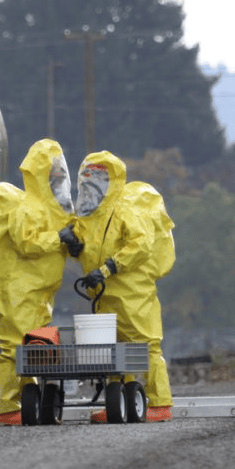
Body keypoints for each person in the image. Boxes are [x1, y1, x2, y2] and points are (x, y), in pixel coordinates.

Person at [0, 139, 75, 425]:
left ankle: (30, 399)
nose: (59, 177)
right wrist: (59, 238)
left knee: (34, 348)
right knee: (16, 349)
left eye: (60, 171)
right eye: (54, 172)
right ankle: (10, 407)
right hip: (16, 290)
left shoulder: (51, 211)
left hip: (38, 292)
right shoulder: (28, 208)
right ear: (41, 174)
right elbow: (26, 243)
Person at [72, 151, 174, 423]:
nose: (93, 183)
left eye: (99, 177)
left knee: (145, 345)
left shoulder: (125, 209)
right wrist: (74, 245)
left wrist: (107, 269)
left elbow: (141, 245)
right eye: (89, 176)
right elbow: (88, 248)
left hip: (132, 292)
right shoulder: (90, 215)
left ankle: (160, 404)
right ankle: (120, 403)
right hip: (103, 293)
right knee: (113, 350)